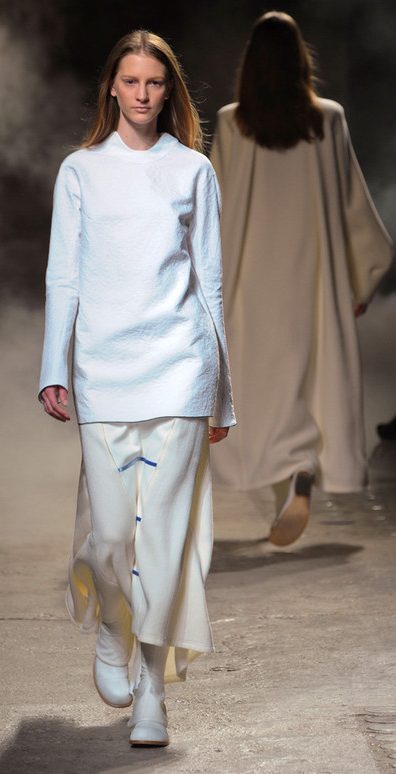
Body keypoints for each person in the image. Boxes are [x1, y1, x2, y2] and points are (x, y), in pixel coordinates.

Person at [39, 29, 235, 747]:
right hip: (103, 369)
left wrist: (222, 390)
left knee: (164, 541)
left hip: (180, 366)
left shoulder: (193, 170)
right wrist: (53, 367)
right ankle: (111, 628)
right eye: (131, 81)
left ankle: (152, 691)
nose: (143, 94)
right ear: (112, 88)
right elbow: (63, 275)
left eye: (155, 82)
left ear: (168, 89)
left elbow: (210, 281)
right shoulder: (80, 171)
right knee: (112, 534)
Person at [209, 12, 393, 547]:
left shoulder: (231, 122)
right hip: (313, 284)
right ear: (299, 61)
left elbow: (214, 208)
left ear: (250, 64)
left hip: (248, 284)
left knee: (260, 391)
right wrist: (359, 280)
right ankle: (300, 474)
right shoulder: (328, 119)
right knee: (309, 384)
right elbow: (353, 205)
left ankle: (289, 480)